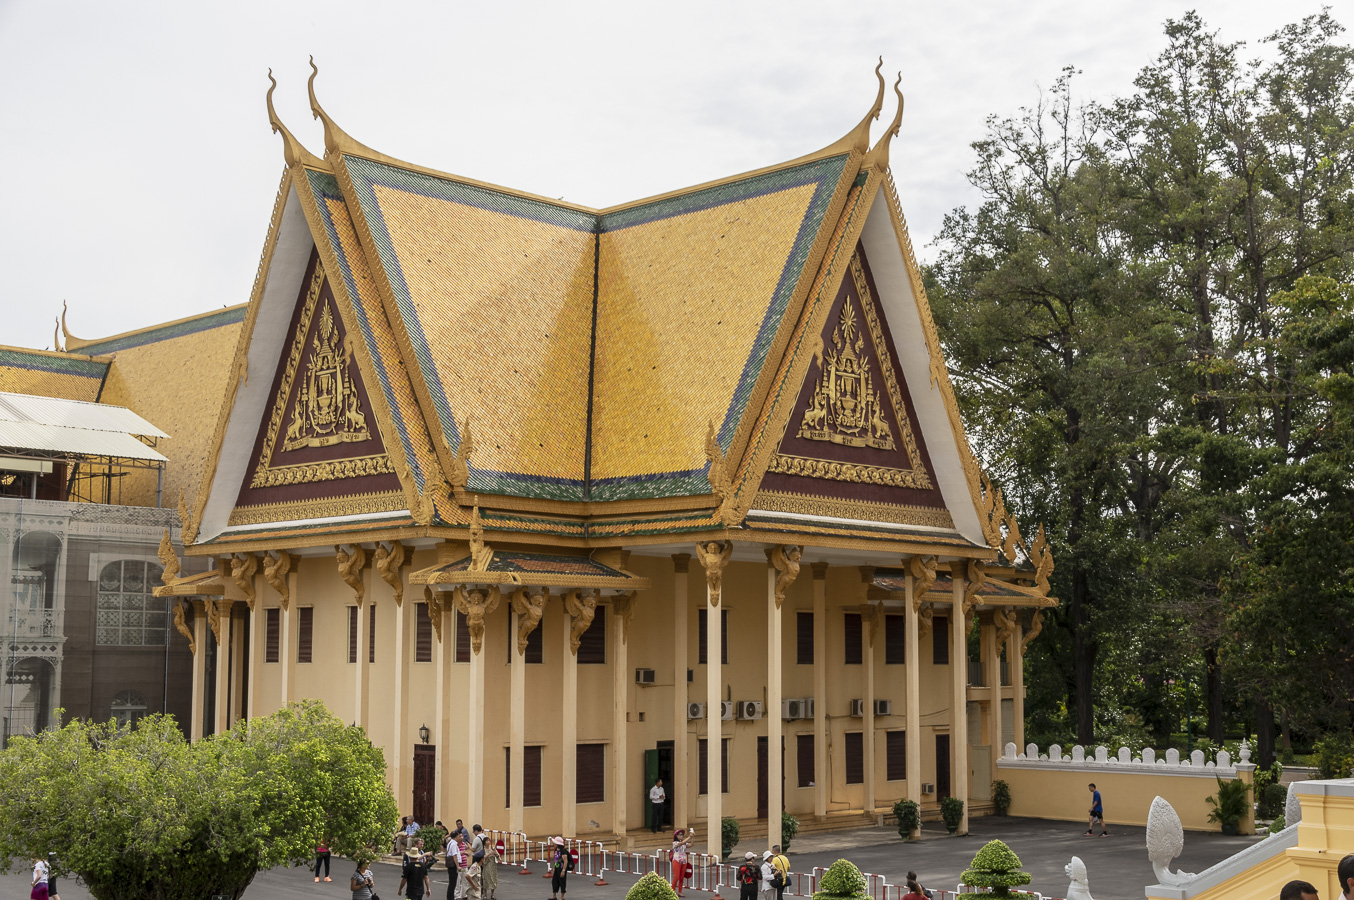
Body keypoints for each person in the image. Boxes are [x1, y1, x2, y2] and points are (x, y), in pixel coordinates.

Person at [670, 827, 694, 897]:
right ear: (676, 836)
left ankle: (680, 891)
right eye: (679, 834)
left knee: (681, 877)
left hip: (684, 861)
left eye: (682, 835)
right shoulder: (675, 843)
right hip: (677, 861)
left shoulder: (684, 843)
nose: (681, 836)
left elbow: (691, 845)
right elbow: (681, 843)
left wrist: (693, 838)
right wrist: (690, 836)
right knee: (676, 877)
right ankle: (672, 891)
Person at [549, 836, 574, 900]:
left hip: (561, 868)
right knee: (554, 881)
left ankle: (561, 897)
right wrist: (554, 867)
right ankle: (554, 896)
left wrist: (563, 870)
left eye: (554, 843)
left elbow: (565, 861)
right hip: (557, 868)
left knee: (562, 882)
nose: (553, 844)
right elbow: (556, 859)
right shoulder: (556, 850)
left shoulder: (563, 851)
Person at [481, 831, 500, 900]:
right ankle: (485, 894)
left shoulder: (493, 848)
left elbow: (499, 857)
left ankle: (492, 894)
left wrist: (496, 854)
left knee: (493, 880)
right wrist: (490, 854)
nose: (488, 842)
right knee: (485, 880)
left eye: (489, 840)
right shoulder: (483, 850)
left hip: (493, 866)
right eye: (486, 841)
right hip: (486, 866)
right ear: (484, 843)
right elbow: (483, 858)